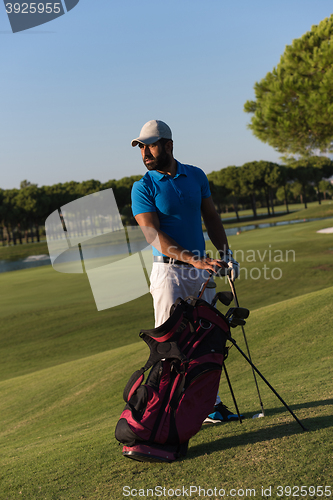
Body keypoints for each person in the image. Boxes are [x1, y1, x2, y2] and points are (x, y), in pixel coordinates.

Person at [131, 120, 240, 423]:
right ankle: (167, 412)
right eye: (140, 146)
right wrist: (195, 260)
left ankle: (210, 406)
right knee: (171, 346)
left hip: (201, 271)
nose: (144, 152)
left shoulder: (195, 175)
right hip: (169, 275)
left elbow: (212, 218)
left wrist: (226, 254)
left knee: (206, 341)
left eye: (150, 145)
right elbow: (153, 236)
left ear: (168, 145)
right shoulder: (143, 187)